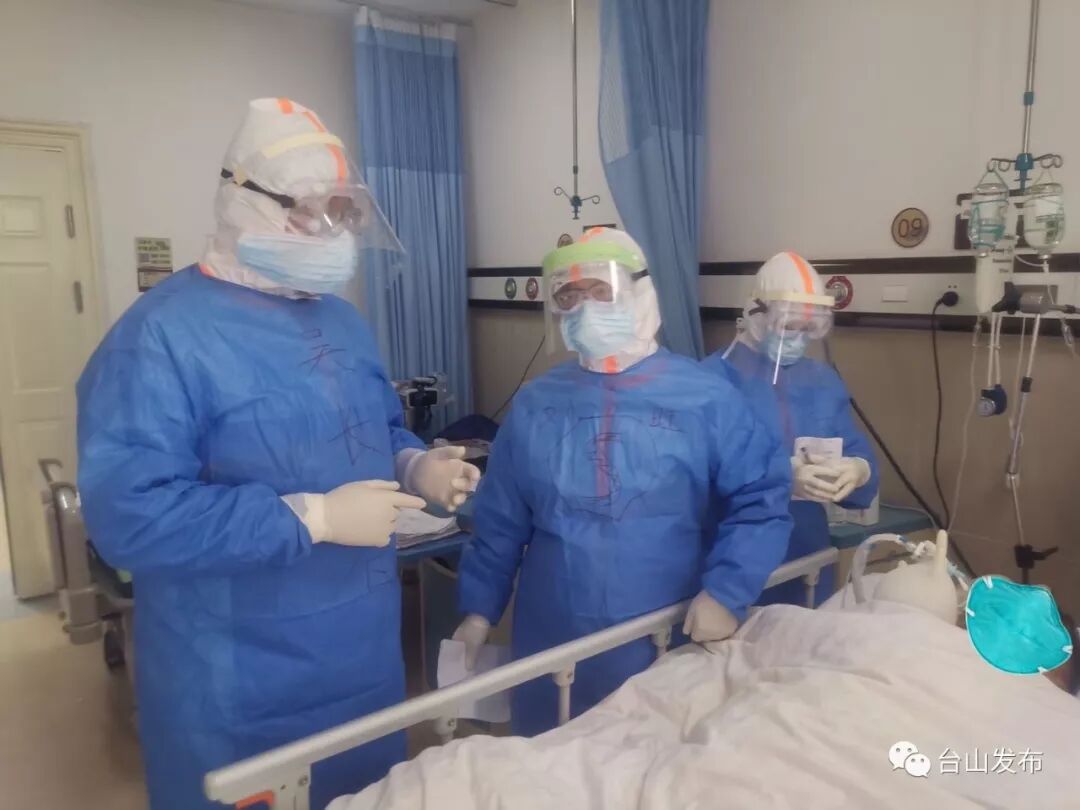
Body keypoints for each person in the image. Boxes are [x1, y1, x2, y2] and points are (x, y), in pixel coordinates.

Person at [76, 98, 479, 810]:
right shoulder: (159, 337)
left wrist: (414, 464)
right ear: (246, 202)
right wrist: (310, 518)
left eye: (342, 213)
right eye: (308, 211)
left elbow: (374, 429)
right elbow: (131, 517)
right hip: (238, 686)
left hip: (362, 662)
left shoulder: (343, 323)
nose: (331, 232)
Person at [452, 228, 792, 736]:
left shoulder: (705, 398)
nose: (584, 308)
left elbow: (760, 499)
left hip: (662, 625)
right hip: (551, 631)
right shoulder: (537, 403)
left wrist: (726, 592)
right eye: (570, 296)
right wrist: (479, 609)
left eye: (600, 291)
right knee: (548, 758)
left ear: (642, 293)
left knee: (651, 757)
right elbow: (501, 519)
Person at [701, 251, 879, 606]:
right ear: (757, 316)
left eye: (808, 329)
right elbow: (696, 480)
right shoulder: (710, 383)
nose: (799, 338)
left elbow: (853, 446)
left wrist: (859, 470)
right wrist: (780, 477)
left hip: (807, 554)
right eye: (789, 326)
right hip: (732, 558)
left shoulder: (821, 381)